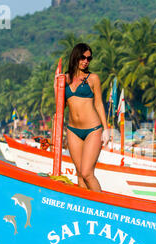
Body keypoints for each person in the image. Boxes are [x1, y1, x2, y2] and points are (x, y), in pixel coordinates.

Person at [54, 43, 109, 191]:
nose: (86, 61)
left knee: (87, 173)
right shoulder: (64, 79)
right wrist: (56, 86)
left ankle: (101, 208)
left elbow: (98, 104)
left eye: (89, 58)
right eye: (83, 57)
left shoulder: (93, 78)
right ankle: (86, 209)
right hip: (73, 130)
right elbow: (60, 106)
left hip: (92, 129)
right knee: (79, 174)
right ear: (76, 56)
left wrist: (106, 129)